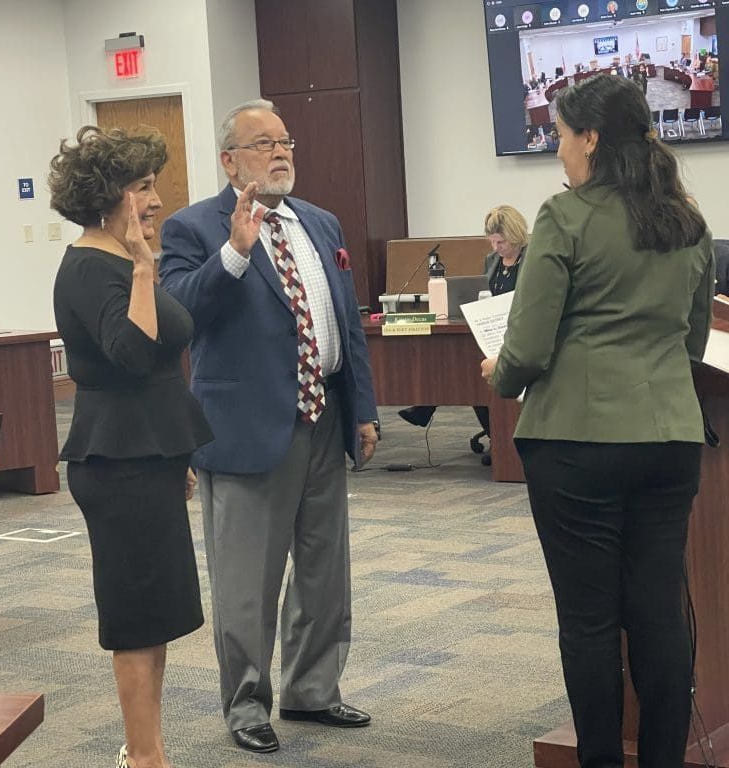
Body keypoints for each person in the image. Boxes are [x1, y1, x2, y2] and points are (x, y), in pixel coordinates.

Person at [481, 74, 713, 768]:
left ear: (589, 138)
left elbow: (525, 346)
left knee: (588, 622)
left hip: (578, 443)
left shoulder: (566, 217)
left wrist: (502, 374)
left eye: (559, 135)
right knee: (658, 615)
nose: (557, 153)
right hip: (670, 439)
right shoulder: (687, 221)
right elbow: (693, 344)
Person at [157, 99, 379, 754]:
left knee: (322, 568)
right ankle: (247, 704)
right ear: (230, 160)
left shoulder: (321, 222)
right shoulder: (192, 227)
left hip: (323, 416)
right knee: (247, 579)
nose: (280, 153)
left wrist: (363, 408)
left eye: (285, 141)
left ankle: (313, 690)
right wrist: (233, 251)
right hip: (247, 428)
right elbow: (179, 313)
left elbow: (345, 322)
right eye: (262, 144)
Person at [50, 126, 213, 768]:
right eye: (143, 187)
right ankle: (145, 758)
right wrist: (146, 266)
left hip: (149, 455)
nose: (156, 198)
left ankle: (145, 749)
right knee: (136, 614)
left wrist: (179, 454)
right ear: (106, 197)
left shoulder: (118, 260)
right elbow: (133, 350)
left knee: (157, 610)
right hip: (116, 463)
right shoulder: (92, 267)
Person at [399, 206, 529, 468]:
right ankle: (495, 436)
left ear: (515, 235)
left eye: (500, 241)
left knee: (475, 371)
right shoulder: (492, 260)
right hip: (490, 329)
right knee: (467, 370)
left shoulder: (533, 257)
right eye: (492, 241)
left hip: (519, 332)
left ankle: (427, 407)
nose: (496, 247)